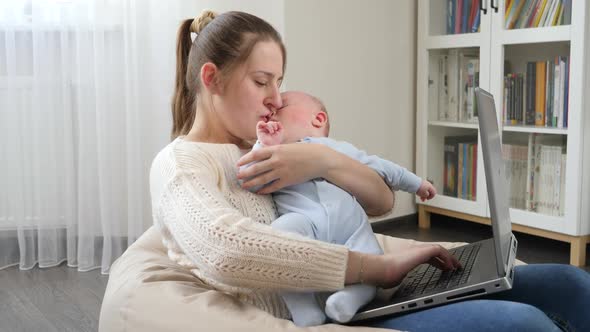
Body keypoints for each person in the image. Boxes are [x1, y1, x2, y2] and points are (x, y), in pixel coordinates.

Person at [150, 9, 590, 331]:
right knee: (525, 324)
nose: (276, 98)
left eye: (280, 82)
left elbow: (380, 201)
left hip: (370, 283)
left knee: (570, 282)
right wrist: (377, 269)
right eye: (262, 81)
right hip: (337, 307)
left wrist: (324, 160)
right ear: (212, 79)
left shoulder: (273, 145)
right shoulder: (180, 165)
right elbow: (230, 252)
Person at [240, 90, 437, 326]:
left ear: (318, 120)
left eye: (280, 109)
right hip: (305, 222)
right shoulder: (274, 154)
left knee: (371, 253)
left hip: (351, 227)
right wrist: (263, 144)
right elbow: (248, 177)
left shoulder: (336, 149)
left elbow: (382, 167)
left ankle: (349, 299)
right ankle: (303, 307)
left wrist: (417, 184)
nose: (271, 114)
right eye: (269, 114)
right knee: (280, 238)